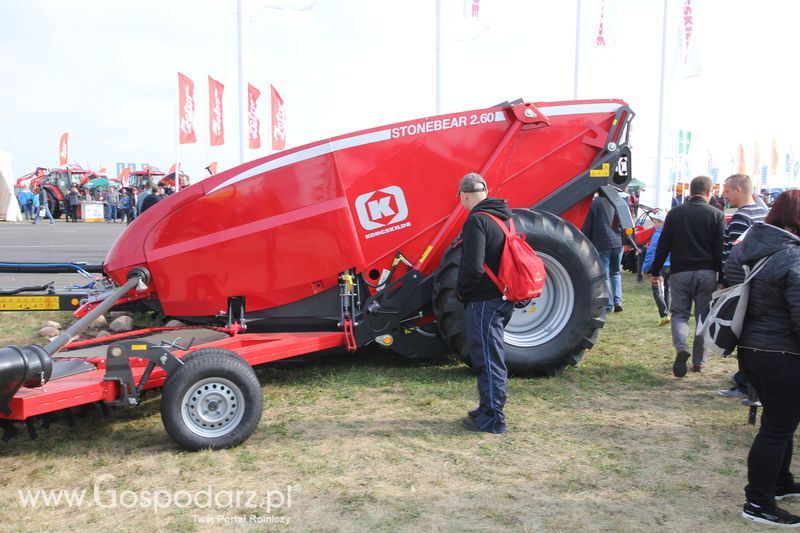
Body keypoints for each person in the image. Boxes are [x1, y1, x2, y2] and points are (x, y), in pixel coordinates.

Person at [726, 191, 800, 527]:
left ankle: (780, 483)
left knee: (779, 421)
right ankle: (758, 503)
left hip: (752, 348)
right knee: (777, 427)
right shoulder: (791, 256)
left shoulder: (751, 246)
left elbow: (730, 276)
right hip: (782, 352)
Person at [456, 172, 514, 434]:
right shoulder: (502, 217)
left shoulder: (476, 221)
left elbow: (472, 268)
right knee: (492, 355)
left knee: (487, 358)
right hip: (502, 297)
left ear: (465, 195)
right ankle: (487, 407)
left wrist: (463, 294)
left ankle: (493, 417)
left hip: (484, 301)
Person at [651, 175, 725, 377]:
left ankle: (681, 348)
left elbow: (663, 244)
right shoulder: (717, 215)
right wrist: (722, 277)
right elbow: (721, 249)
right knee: (703, 317)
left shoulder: (675, 213)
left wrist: (655, 271)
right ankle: (699, 362)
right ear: (709, 193)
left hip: (680, 272)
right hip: (707, 273)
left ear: (690, 191)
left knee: (680, 314)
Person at [717, 173, 769, 400]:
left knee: (741, 333)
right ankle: (747, 378)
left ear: (738, 190)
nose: (724, 196)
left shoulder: (740, 218)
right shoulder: (763, 212)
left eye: (727, 191)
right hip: (760, 281)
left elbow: (734, 256)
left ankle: (744, 382)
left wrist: (726, 283)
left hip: (741, 284)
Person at [582, 194, 624, 312]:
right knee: (615, 273)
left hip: (602, 243)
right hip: (618, 242)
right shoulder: (617, 200)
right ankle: (618, 301)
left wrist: (585, 241)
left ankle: (609, 304)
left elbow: (588, 225)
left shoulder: (594, 204)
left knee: (604, 275)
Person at [642, 210, 671, 326]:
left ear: (660, 222)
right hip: (671, 266)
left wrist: (645, 268)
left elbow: (651, 253)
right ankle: (667, 313)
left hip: (661, 266)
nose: (654, 225)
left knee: (657, 290)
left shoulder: (657, 235)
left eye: (655, 222)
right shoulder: (672, 233)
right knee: (667, 290)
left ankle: (664, 315)